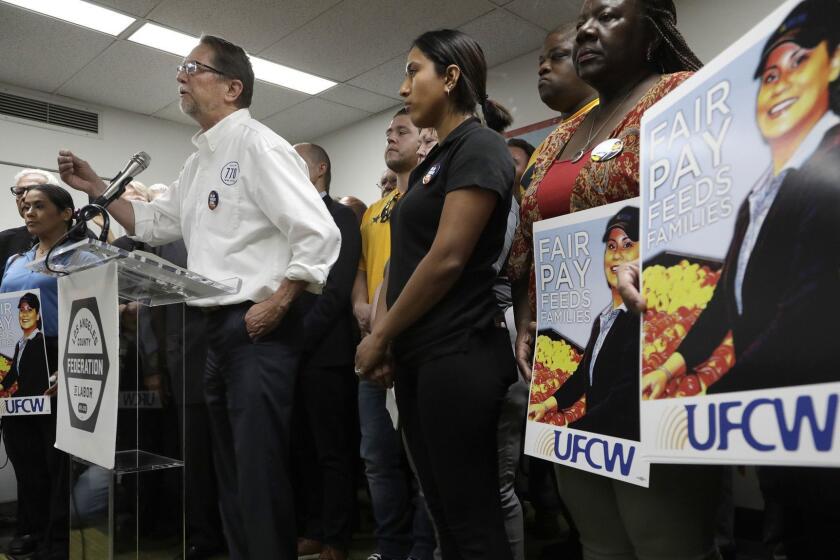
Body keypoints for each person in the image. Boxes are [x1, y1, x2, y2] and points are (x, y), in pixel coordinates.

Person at [57, 34, 340, 560]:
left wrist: (278, 302)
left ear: (233, 87)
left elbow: (319, 233)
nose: (181, 76)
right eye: (181, 68)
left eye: (194, 67)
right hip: (211, 329)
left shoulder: (259, 144)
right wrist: (96, 185)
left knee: (256, 467)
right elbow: (153, 222)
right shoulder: (198, 163)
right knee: (227, 467)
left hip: (257, 327)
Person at [509, 1, 726, 559]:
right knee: (598, 535)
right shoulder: (565, 133)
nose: (586, 29)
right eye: (584, 19)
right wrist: (529, 320)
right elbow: (534, 237)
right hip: (573, 351)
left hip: (661, 349)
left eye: (607, 17)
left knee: (664, 538)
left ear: (653, 31)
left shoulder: (681, 94)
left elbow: (715, 210)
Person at [355, 29, 516, 560]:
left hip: (461, 352)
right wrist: (393, 343)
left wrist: (381, 336)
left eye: (413, 71)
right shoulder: (433, 161)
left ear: (450, 78)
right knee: (443, 513)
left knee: (471, 518)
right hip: (424, 356)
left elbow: (446, 259)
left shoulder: (481, 145)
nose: (403, 88)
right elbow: (403, 264)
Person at [351, 108, 436, 560]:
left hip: (419, 342)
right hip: (372, 344)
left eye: (401, 131)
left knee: (425, 463)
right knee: (378, 458)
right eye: (387, 132)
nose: (391, 137)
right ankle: (390, 548)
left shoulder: (434, 198)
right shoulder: (375, 212)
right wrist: (362, 307)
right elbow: (363, 270)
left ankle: (423, 551)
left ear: (426, 139)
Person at [1, 184, 88, 560]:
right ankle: (32, 529)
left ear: (66, 213)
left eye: (40, 206)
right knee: (24, 455)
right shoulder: (14, 261)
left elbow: (91, 316)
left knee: (56, 459)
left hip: (57, 357)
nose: (29, 212)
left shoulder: (80, 256)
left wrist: (70, 368)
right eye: (26, 206)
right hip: (16, 358)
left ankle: (58, 539)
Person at [292, 143, 361, 560]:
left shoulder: (341, 217)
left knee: (333, 450)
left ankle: (337, 536)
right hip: (289, 355)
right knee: (300, 447)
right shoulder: (287, 221)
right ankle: (313, 528)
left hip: (327, 352)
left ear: (320, 169)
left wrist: (297, 341)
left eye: (295, 161)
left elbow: (335, 292)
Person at [528, 207, 640, 441]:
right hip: (598, 443)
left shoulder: (639, 318)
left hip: (624, 443)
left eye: (627, 244)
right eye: (611, 246)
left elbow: (623, 396)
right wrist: (548, 404)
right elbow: (582, 375)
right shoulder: (603, 319)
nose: (617, 254)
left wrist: (573, 433)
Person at [1, 170, 58, 277]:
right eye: (19, 192)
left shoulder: (77, 235)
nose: (25, 197)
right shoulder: (4, 240)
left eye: (34, 190)